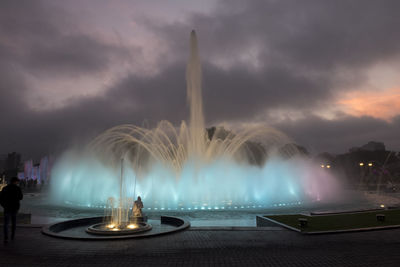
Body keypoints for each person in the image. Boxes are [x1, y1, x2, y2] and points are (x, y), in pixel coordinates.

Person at [0, 177, 23, 244]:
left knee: (6, 224)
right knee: (13, 223)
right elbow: (21, 197)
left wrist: (4, 205)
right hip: (14, 208)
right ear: (15, 182)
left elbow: (0, 198)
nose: (18, 183)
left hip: (7, 208)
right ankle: (12, 236)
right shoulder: (17, 188)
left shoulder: (5, 188)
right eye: (17, 182)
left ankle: (6, 238)